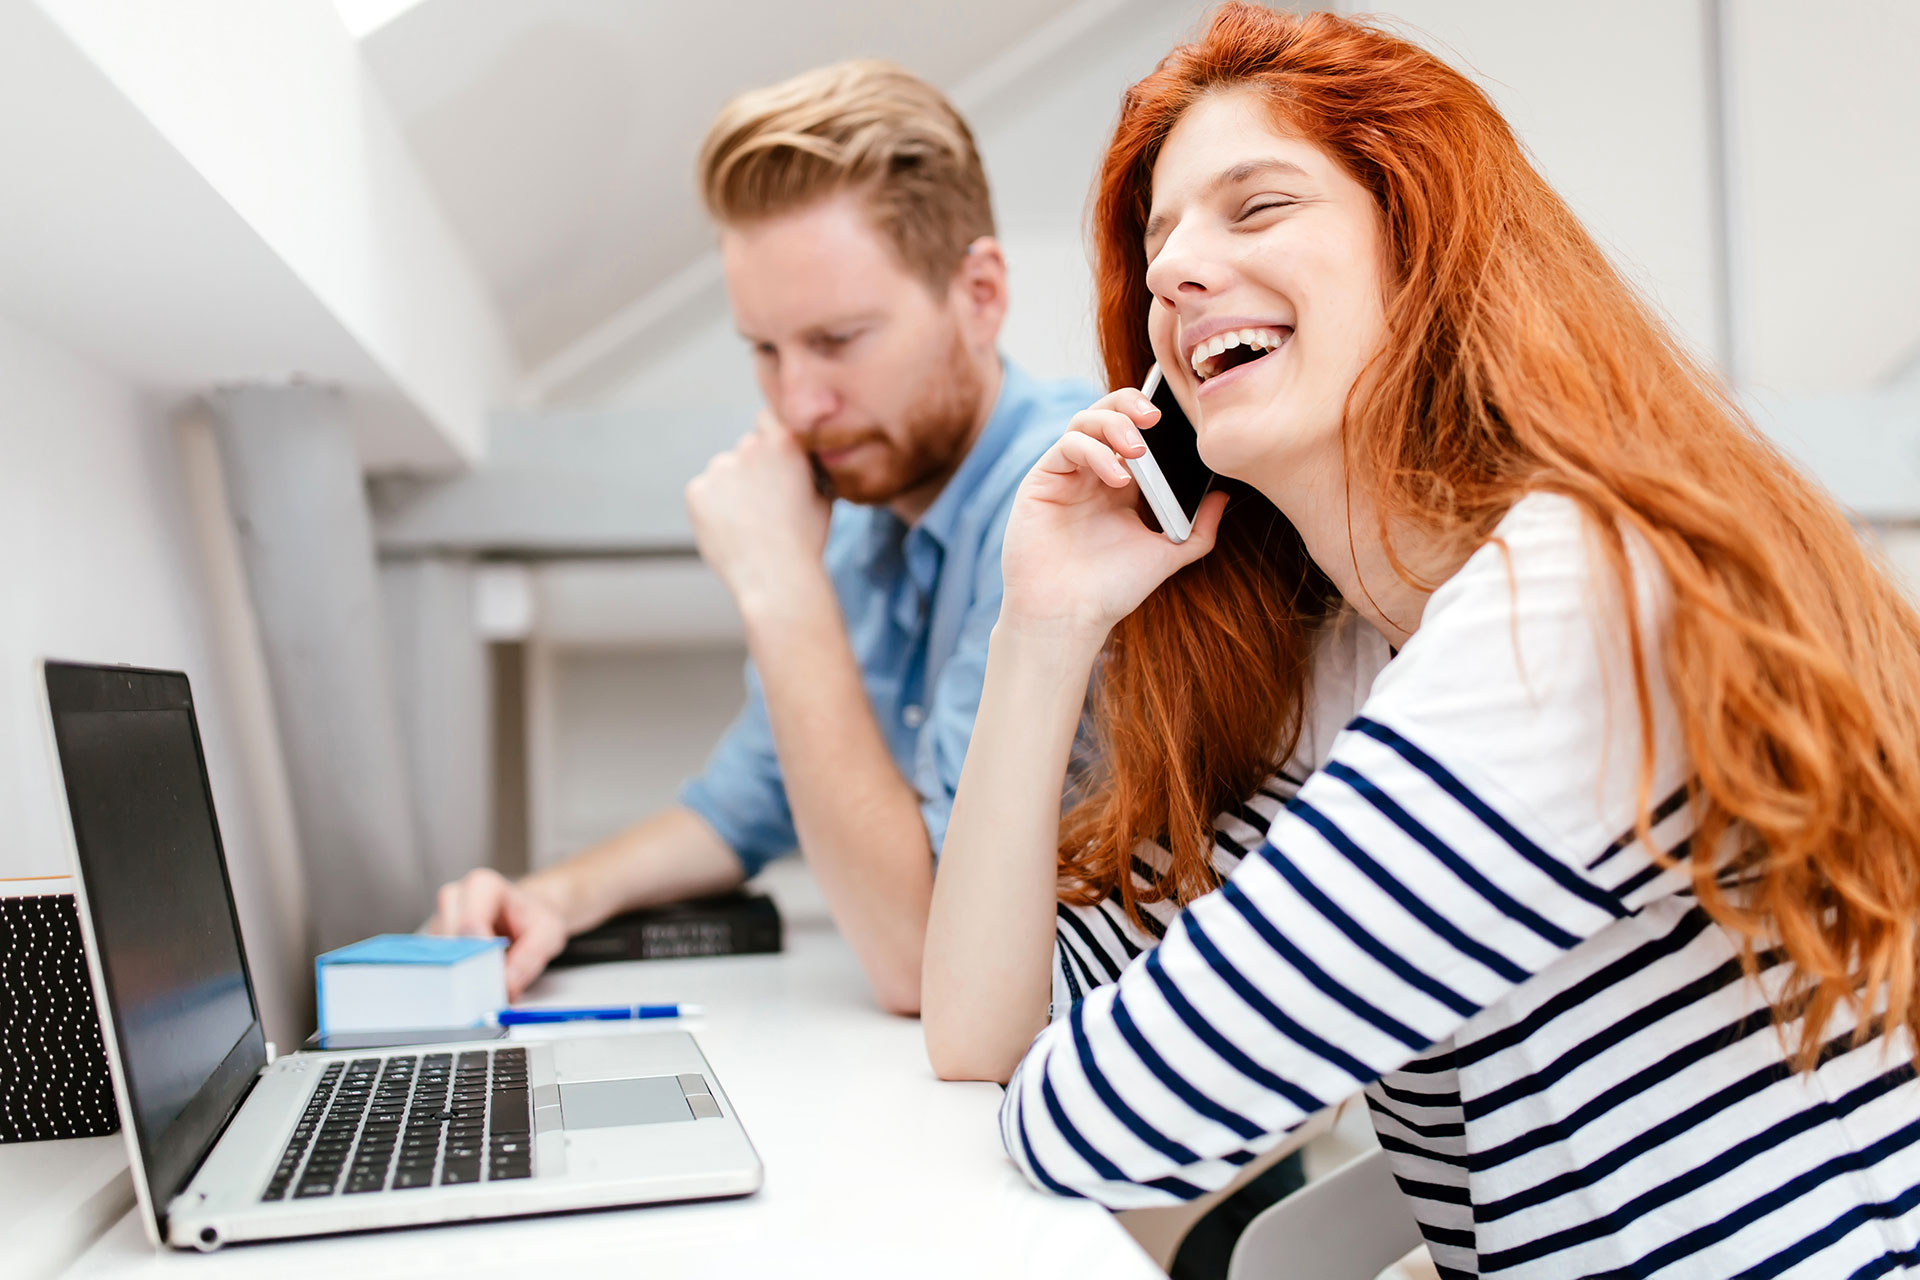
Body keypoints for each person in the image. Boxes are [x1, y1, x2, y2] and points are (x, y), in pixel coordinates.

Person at [926, 6, 1920, 1277]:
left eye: (1257, 205)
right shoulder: (1335, 663)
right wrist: (1044, 625)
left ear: (1423, 238)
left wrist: (1108, 1064)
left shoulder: (1577, 601)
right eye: (1158, 236)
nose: (1174, 268)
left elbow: (1105, 1118)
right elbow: (981, 1028)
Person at [428, 61, 1093, 1014]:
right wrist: (546, 899)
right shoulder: (866, 520)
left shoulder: (1064, 508)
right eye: (765, 349)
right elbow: (745, 803)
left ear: (980, 294)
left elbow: (925, 958)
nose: (798, 404)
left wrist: (780, 583)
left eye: (838, 340)